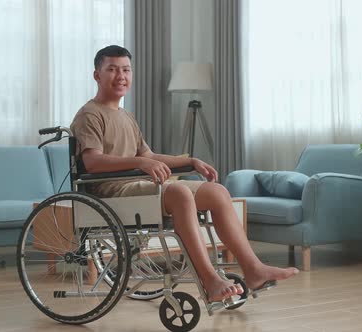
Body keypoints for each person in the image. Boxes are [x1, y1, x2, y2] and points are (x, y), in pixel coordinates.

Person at [70, 45, 298, 302]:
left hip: (138, 186)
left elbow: (149, 156)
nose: (120, 76)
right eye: (112, 69)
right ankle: (209, 279)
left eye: (126, 70)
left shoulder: (126, 116)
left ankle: (253, 269)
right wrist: (141, 164)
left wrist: (189, 161)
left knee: (217, 192)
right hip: (112, 192)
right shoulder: (89, 114)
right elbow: (93, 162)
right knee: (178, 192)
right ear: (97, 75)